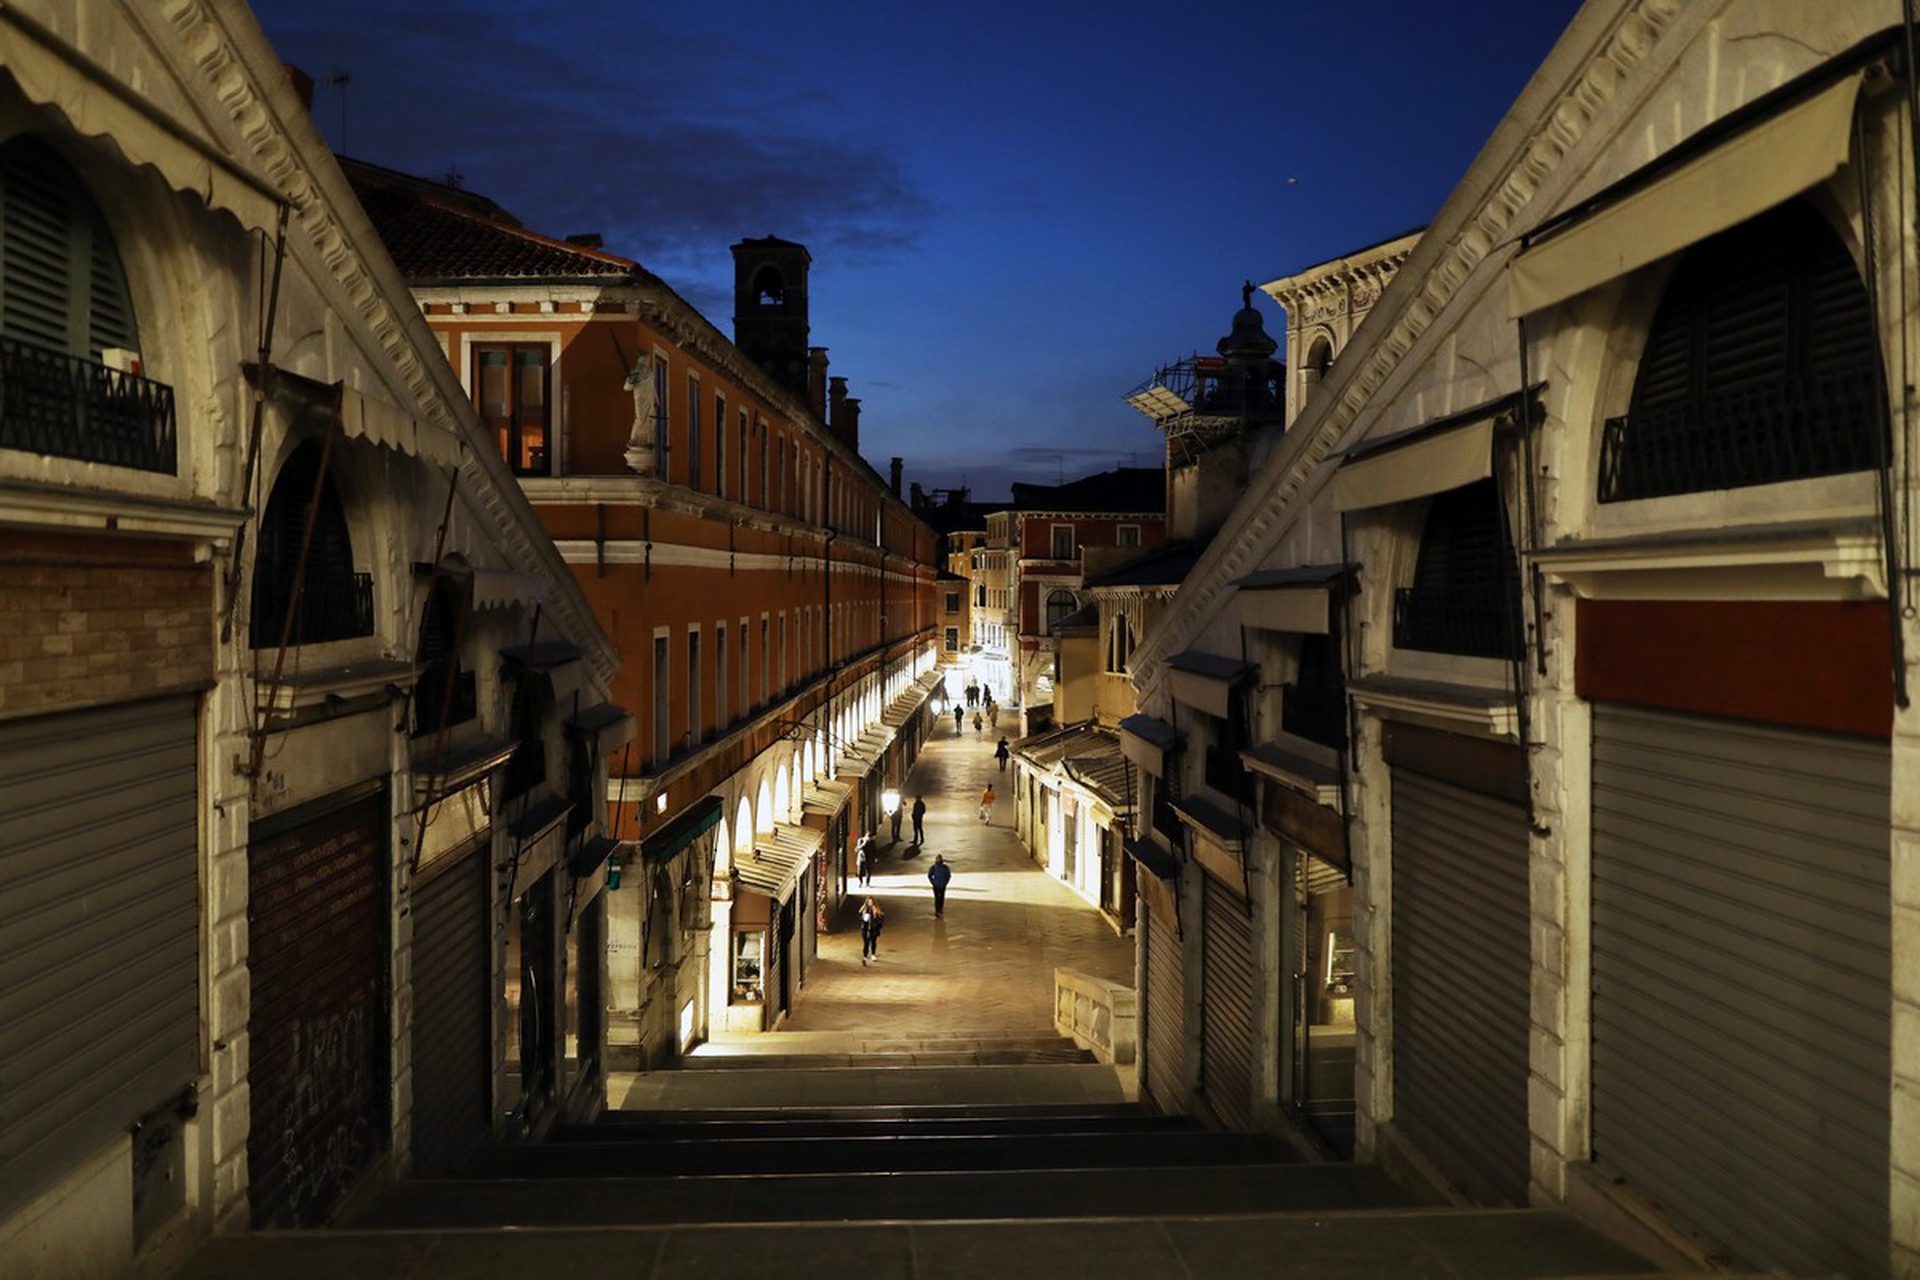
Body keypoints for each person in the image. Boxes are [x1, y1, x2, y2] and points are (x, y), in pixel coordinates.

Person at [859, 896, 884, 963]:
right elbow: (862, 918)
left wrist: (876, 915)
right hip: (865, 929)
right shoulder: (864, 909)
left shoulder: (876, 909)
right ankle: (865, 957)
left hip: (873, 929)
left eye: (871, 902)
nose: (869, 903)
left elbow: (880, 918)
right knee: (866, 943)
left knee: (873, 942)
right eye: (868, 902)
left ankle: (873, 954)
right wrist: (864, 916)